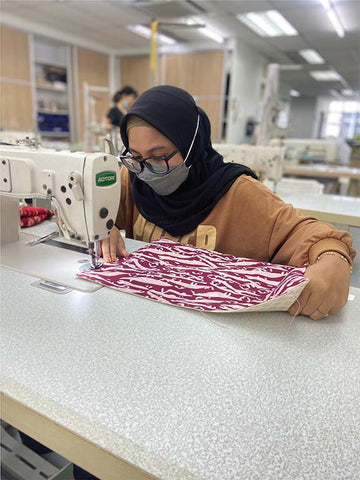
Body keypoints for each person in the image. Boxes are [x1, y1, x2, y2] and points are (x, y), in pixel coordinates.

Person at [101, 85, 356, 321]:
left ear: (192, 145)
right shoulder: (132, 180)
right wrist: (99, 223)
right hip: (147, 317)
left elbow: (312, 234)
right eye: (136, 157)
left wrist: (333, 260)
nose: (146, 170)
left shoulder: (238, 193)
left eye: (159, 156)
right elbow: (92, 207)